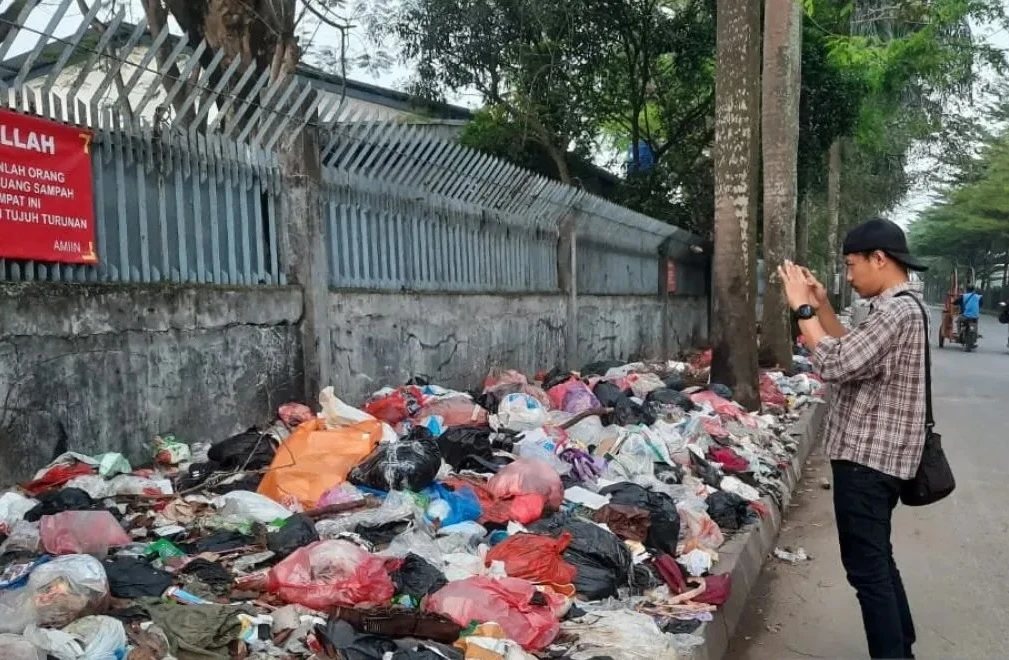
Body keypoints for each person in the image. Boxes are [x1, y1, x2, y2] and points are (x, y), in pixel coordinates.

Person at [778, 217, 930, 659]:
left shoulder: (898, 311)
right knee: (877, 560)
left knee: (867, 572)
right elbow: (852, 353)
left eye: (851, 264)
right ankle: (901, 646)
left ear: (878, 259)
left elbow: (834, 365)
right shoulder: (895, 310)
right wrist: (823, 307)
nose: (848, 275)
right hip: (878, 460)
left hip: (869, 462)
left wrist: (801, 309)